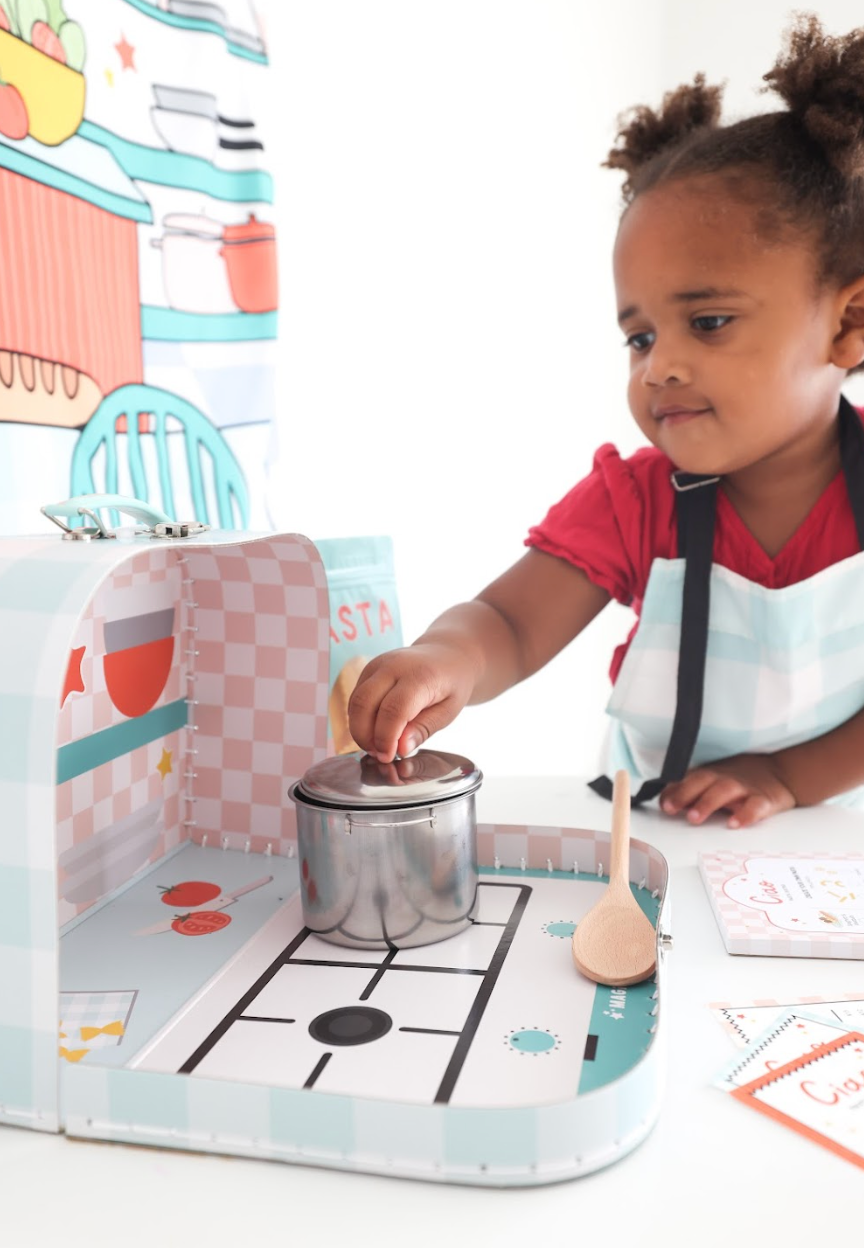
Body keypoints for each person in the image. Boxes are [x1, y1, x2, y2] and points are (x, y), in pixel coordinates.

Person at [348, 13, 864, 829]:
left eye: (710, 322)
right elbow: (510, 623)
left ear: (848, 324)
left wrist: (788, 774)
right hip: (652, 832)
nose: (658, 365)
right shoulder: (635, 499)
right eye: (640, 336)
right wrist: (445, 656)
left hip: (821, 839)